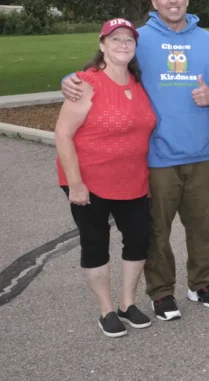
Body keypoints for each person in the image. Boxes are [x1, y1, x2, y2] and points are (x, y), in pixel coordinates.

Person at [61, 0, 209, 320]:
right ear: (154, 3)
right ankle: (161, 292)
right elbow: (106, 68)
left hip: (200, 153)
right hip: (155, 157)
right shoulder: (141, 40)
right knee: (157, 230)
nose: (172, 0)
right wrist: (70, 81)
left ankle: (201, 283)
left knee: (202, 225)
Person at [55, 18, 156, 338]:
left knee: (139, 238)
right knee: (96, 244)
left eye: (129, 39)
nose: (123, 44)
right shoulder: (86, 83)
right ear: (102, 45)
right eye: (115, 39)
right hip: (89, 181)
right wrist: (75, 183)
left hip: (133, 180)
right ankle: (106, 309)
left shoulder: (139, 84)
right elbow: (62, 134)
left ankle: (127, 303)